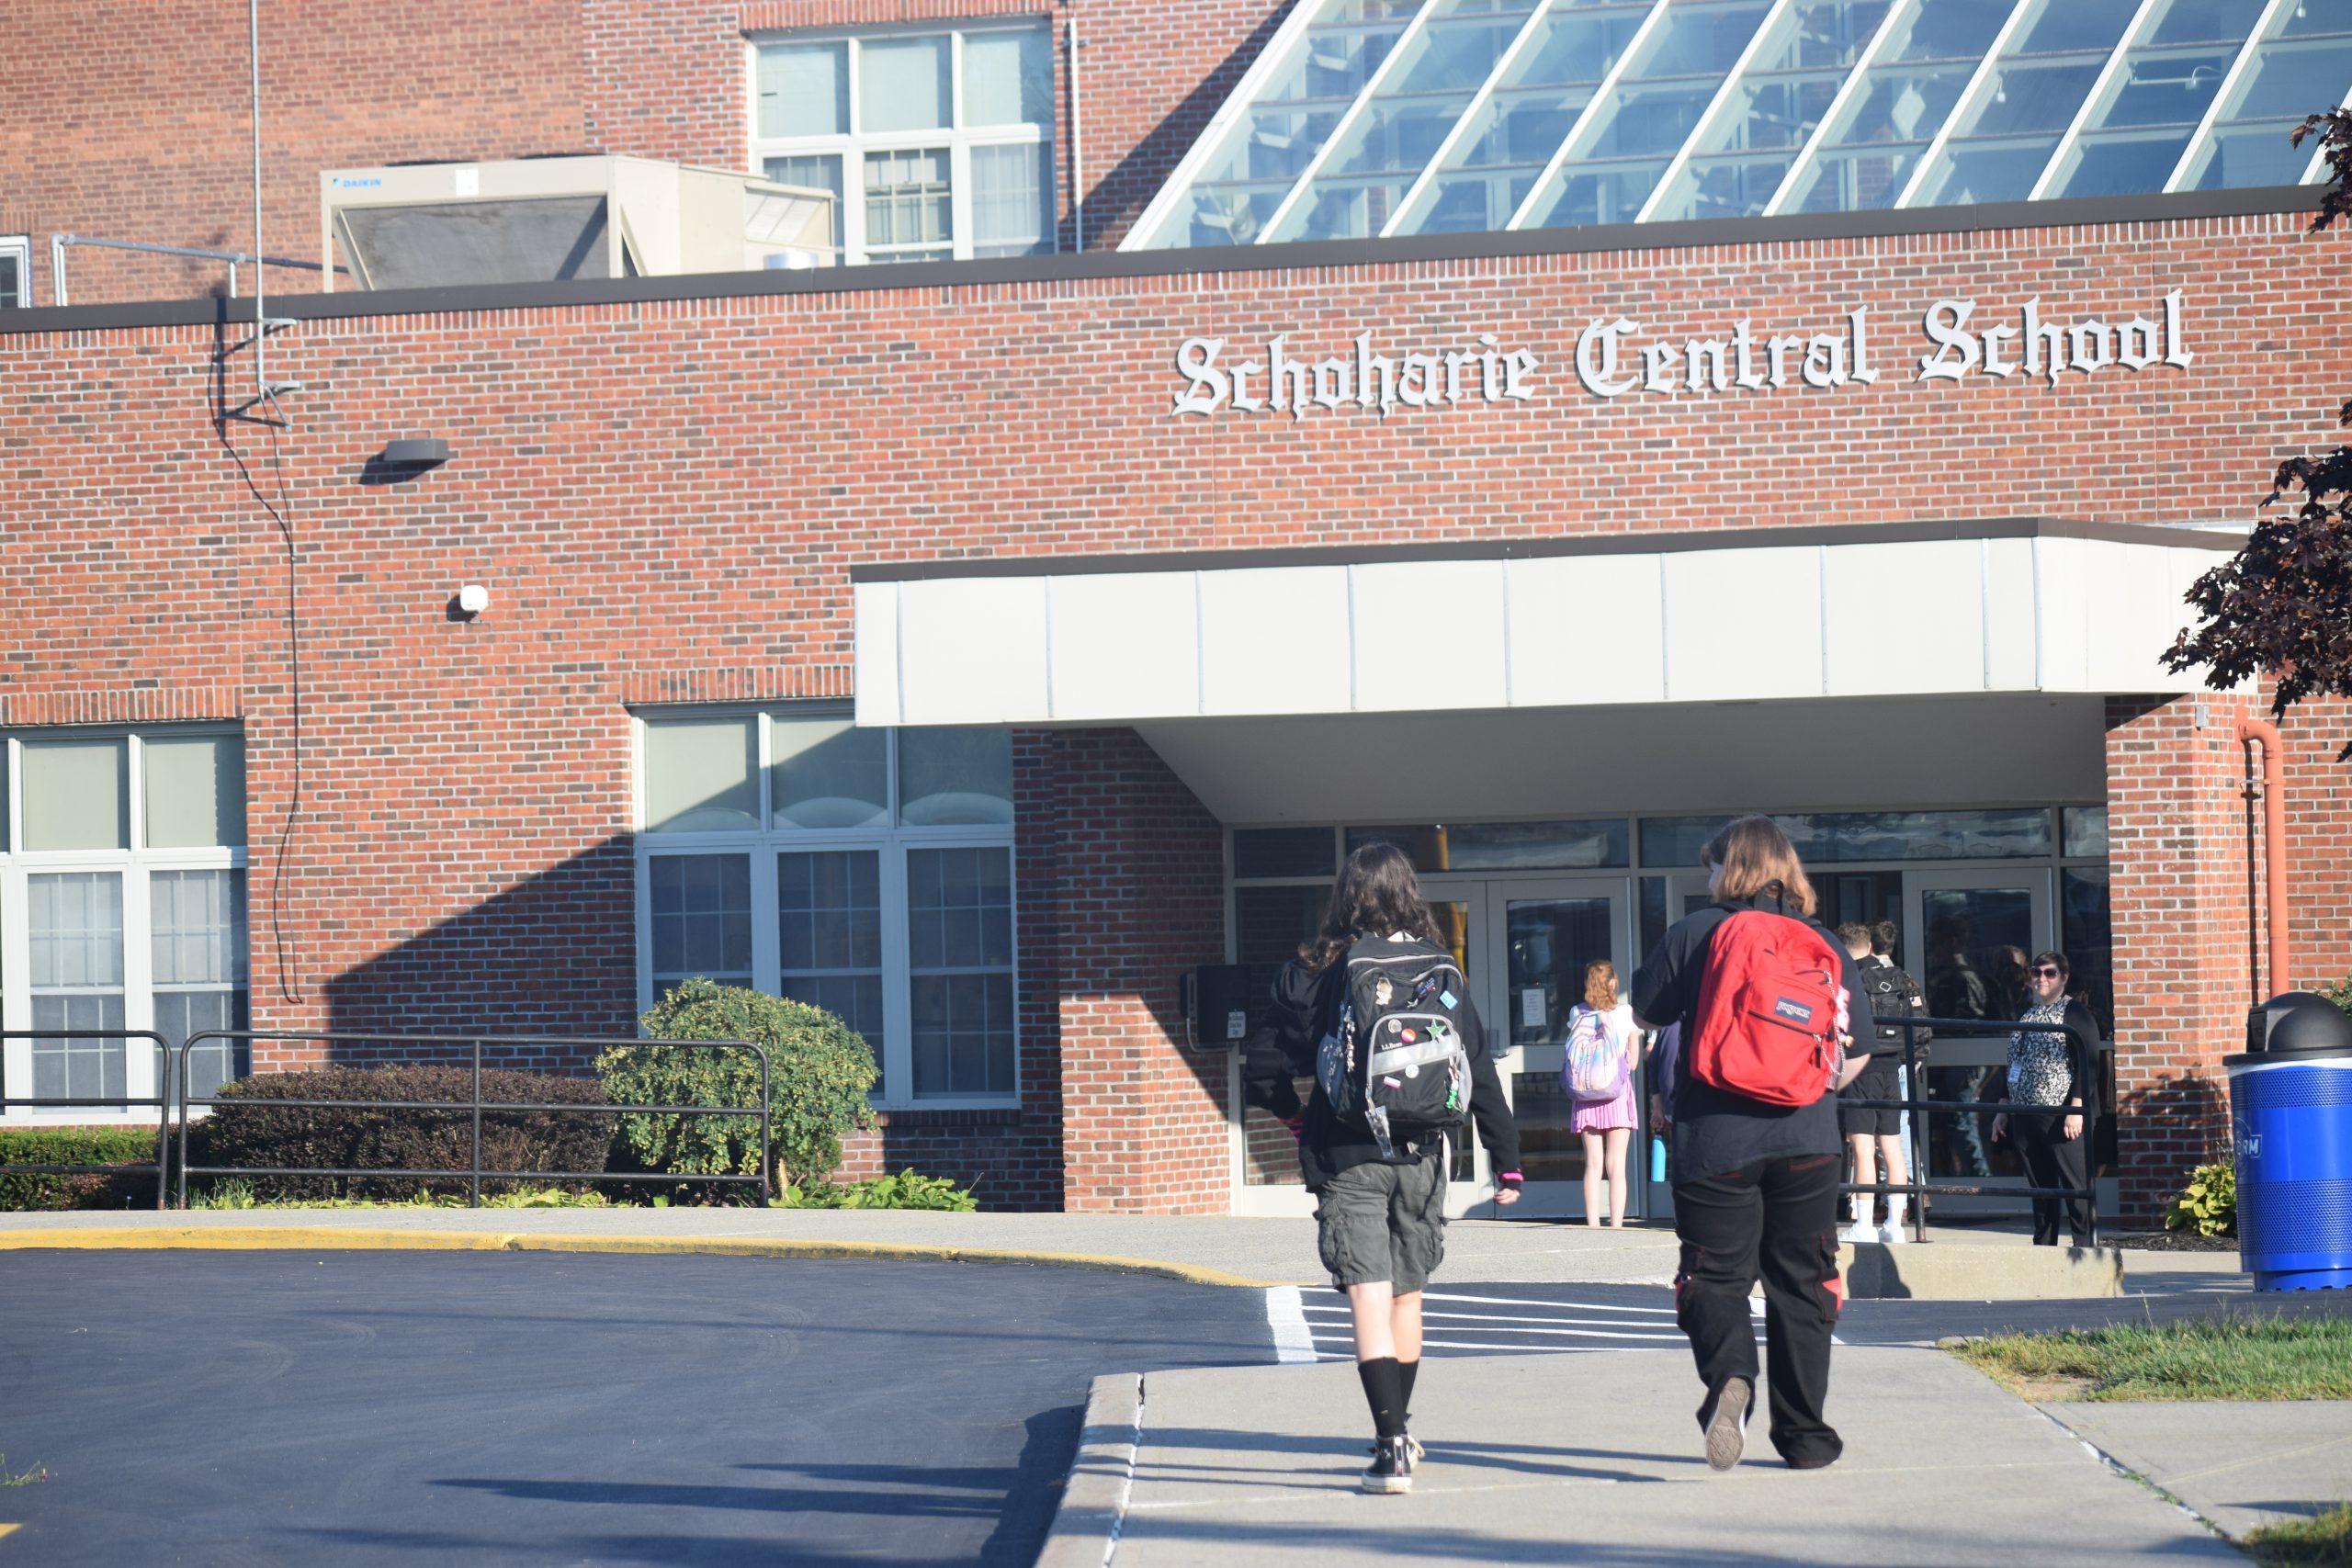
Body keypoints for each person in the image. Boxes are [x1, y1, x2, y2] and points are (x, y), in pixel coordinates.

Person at [1245, 841, 1523, 1495]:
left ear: (1344, 898)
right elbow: (1477, 1068)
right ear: (1409, 894)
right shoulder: (1438, 969)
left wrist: (1293, 1117)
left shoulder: (1312, 972)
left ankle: (1391, 1443)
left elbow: (1261, 1066)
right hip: (1423, 1154)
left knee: (1366, 1293)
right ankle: (1401, 1428)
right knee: (1406, 1293)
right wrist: (1505, 1162)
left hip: (1345, 1152)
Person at [1632, 816, 1872, 1472]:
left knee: (1715, 1274)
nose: (1707, 876)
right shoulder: (1823, 942)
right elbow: (1858, 1051)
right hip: (1809, 1140)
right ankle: (1806, 1437)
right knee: (1804, 1284)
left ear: (1729, 869)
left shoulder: (1694, 932)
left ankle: (1731, 1377)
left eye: (1712, 865)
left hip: (1716, 1138)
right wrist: (1809, 1090)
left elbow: (1644, 1012)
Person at [1991, 951, 2100, 1247]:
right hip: (2025, 1112)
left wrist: (2076, 1107)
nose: (2042, 979)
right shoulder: (2027, 1014)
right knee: (2041, 1188)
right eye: (2037, 972)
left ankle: (2085, 1247)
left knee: (2074, 1186)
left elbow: (2088, 1063)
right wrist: (2003, 1107)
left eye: (2050, 973)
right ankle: (2044, 1246)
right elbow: (2015, 1062)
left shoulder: (2075, 1013)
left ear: (2064, 978)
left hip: (2062, 1115)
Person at [1834, 923, 1918, 1245]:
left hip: (1860, 1067)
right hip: (1892, 1066)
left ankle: (1865, 1225)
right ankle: (1896, 1225)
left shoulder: (1848, 979)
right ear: (1870, 947)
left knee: (1863, 1147)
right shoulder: (1896, 975)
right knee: (1892, 1146)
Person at [1566, 959, 1641, 1228]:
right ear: (1612, 983)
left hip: (1586, 1096)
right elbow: (1632, 1062)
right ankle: (1617, 1224)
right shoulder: (1626, 1013)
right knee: (1616, 1164)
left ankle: (1593, 1224)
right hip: (1616, 1093)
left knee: (1593, 1164)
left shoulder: (1577, 1012)